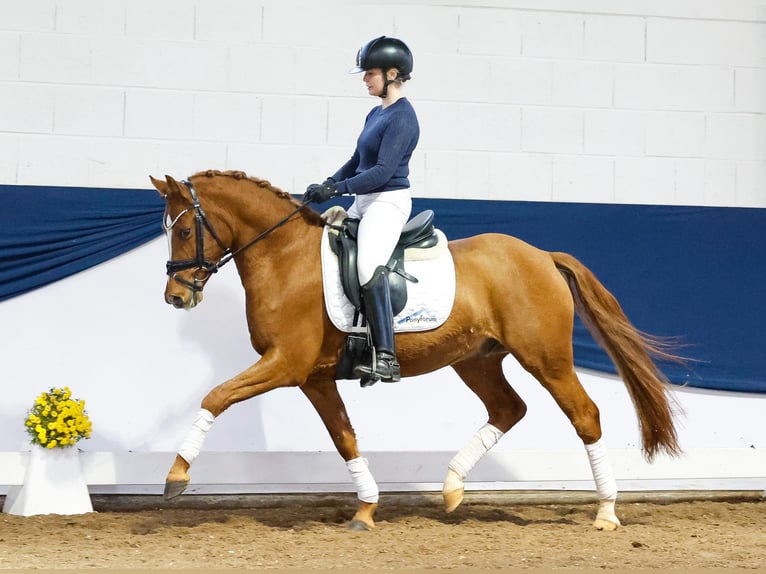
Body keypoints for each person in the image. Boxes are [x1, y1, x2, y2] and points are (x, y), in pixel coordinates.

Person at [303, 36, 420, 383]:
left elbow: (382, 172)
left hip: (388, 202)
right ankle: (355, 340)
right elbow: (357, 161)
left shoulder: (403, 118)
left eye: (370, 73)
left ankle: (386, 356)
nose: (365, 80)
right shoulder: (376, 112)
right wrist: (327, 183)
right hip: (364, 200)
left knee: (369, 266)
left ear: (393, 74)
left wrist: (338, 190)